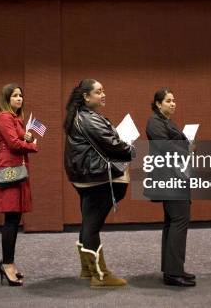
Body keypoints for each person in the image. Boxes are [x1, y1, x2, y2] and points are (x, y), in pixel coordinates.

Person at [64, 79, 134, 288]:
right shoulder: (89, 119)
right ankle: (100, 275)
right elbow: (113, 145)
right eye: (98, 92)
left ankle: (87, 269)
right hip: (96, 178)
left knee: (88, 222)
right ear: (86, 96)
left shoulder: (80, 116)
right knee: (92, 225)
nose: (103, 94)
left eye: (104, 90)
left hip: (84, 177)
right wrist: (131, 148)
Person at [145, 88, 196, 287]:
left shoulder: (167, 122)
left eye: (174, 100)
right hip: (170, 178)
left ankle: (172, 269)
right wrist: (187, 147)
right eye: (168, 100)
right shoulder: (154, 121)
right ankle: (174, 273)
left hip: (175, 176)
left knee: (172, 222)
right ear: (158, 104)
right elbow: (164, 147)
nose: (173, 103)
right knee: (180, 221)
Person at [0, 84, 38, 286]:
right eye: (15, 96)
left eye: (21, 95)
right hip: (10, 171)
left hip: (18, 171)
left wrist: (27, 136)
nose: (19, 98)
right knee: (10, 219)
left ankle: (8, 262)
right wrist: (32, 145)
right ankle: (7, 264)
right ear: (7, 99)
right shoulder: (4, 117)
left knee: (15, 218)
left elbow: (18, 139)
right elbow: (13, 144)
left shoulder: (16, 119)